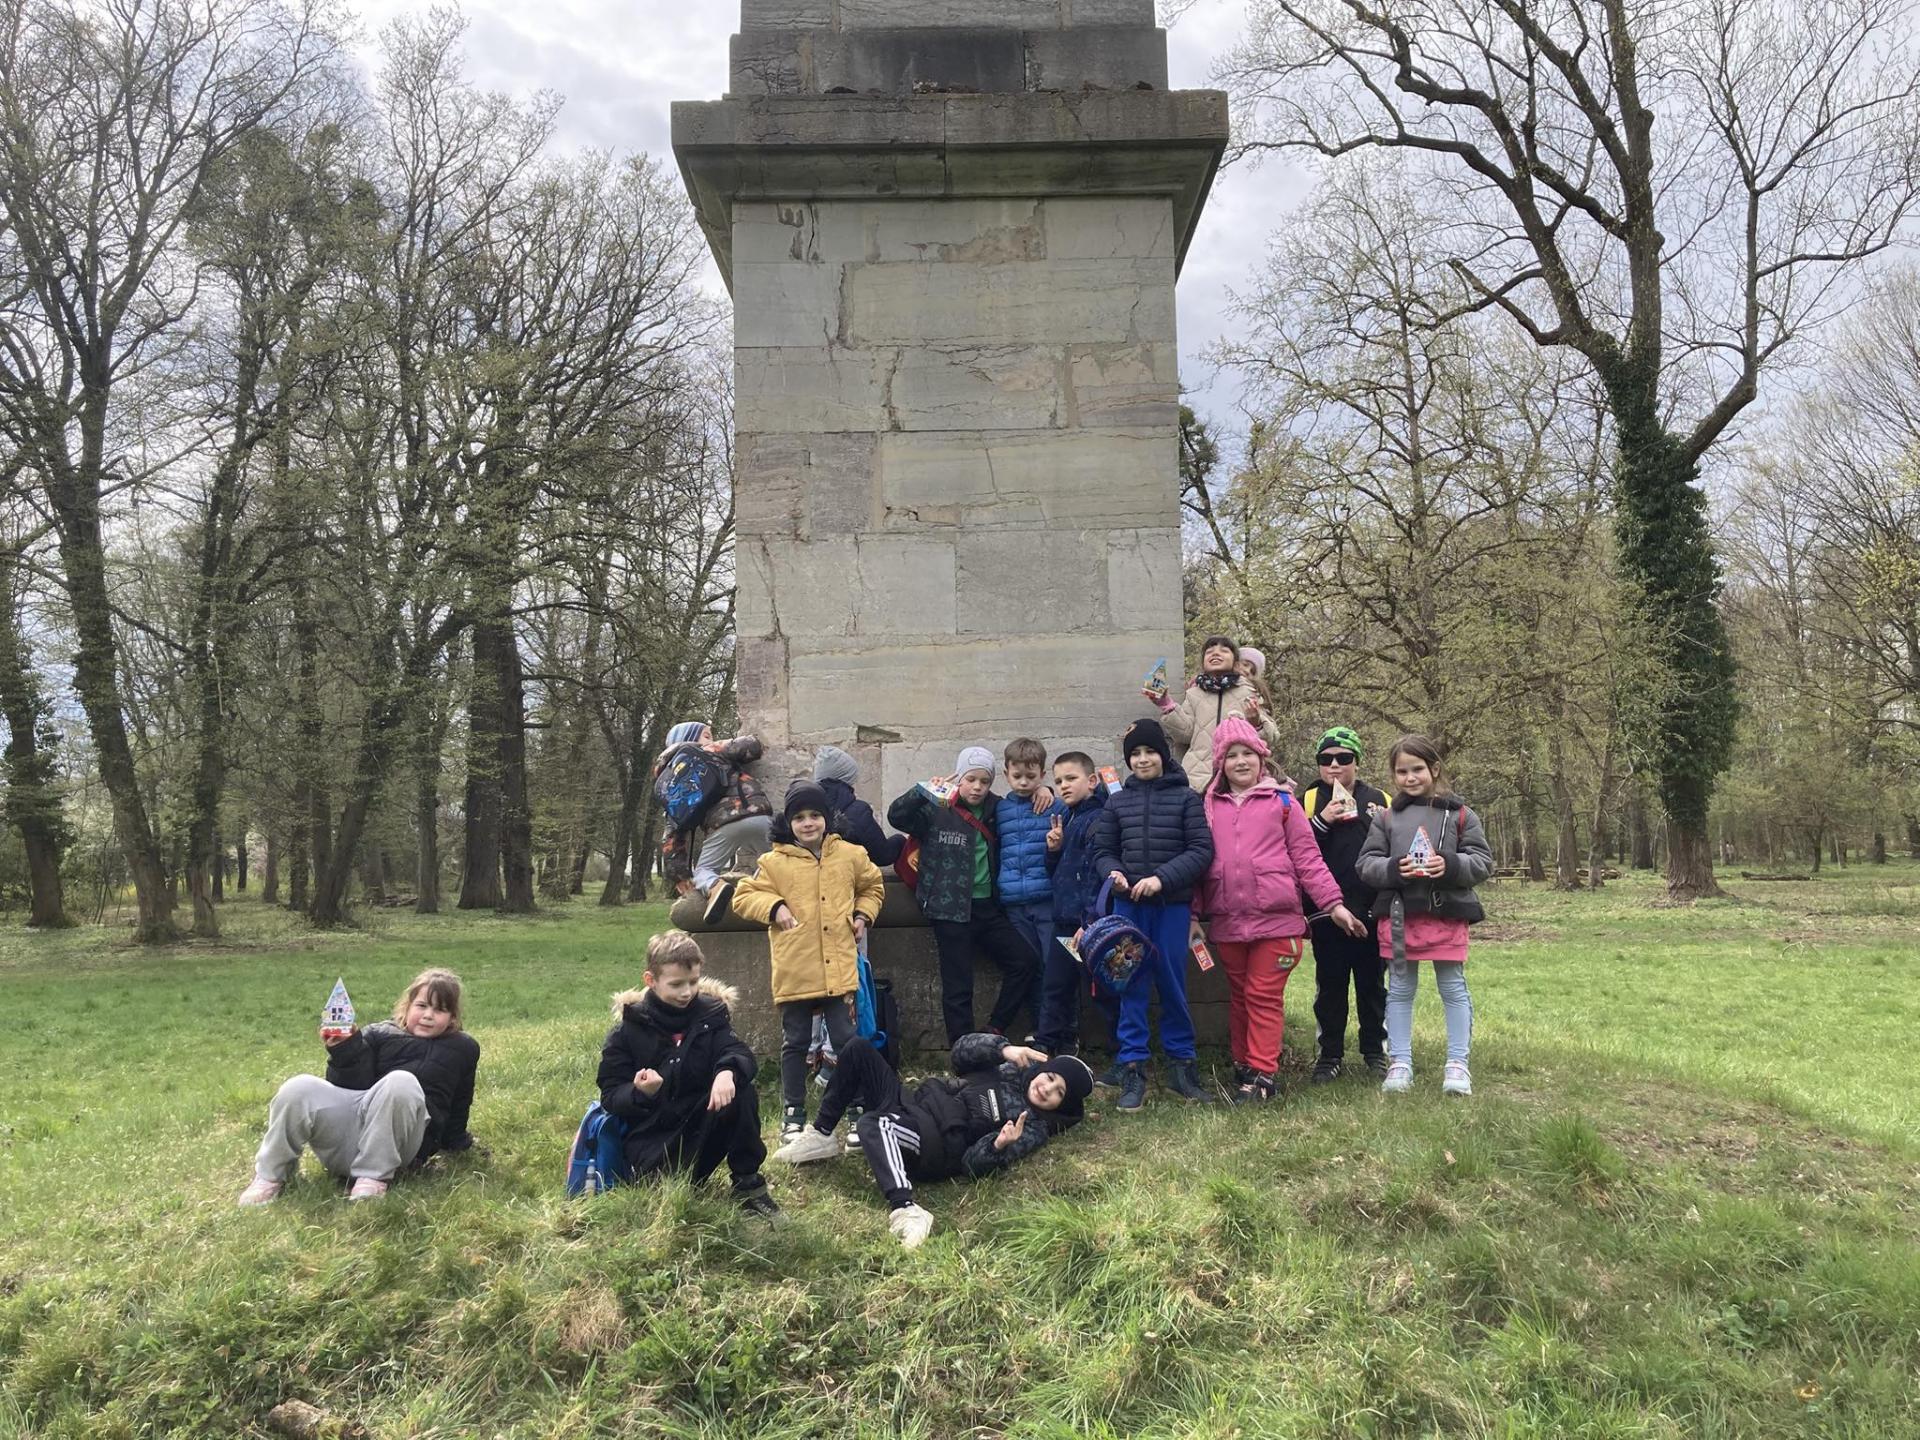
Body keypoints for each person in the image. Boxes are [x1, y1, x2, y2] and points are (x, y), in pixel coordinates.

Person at [771, 1032, 1093, 1249]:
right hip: (916, 1106)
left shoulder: (1033, 1126)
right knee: (857, 1048)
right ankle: (822, 1134)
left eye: (1058, 1093)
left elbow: (971, 1165)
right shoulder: (1009, 1070)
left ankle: (906, 1208)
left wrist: (998, 1146)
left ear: (1060, 1105)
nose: (1047, 1089)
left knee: (873, 1124)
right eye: (1050, 1077)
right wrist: (1002, 1049)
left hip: (935, 1145)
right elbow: (961, 1051)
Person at [1195, 718, 1367, 1102]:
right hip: (1228, 922)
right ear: (1220, 763)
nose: (1241, 761)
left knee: (1262, 994)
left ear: (1262, 758)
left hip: (1278, 922)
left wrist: (1333, 904)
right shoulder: (1208, 806)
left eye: (1248, 753)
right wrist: (1194, 913)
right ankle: (1243, 1063)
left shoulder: (1283, 803)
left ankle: (1262, 1075)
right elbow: (1198, 863)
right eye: (1232, 755)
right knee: (1240, 995)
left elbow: (1308, 859)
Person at [239, 968, 479, 1205]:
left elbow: (460, 1100)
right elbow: (348, 1088)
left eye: (439, 1010)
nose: (428, 1015)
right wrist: (345, 1050)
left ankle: (373, 1178)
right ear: (407, 1006)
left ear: (453, 1018)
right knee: (298, 1086)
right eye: (422, 1006)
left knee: (401, 1081)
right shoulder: (378, 1034)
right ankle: (270, 1176)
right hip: (350, 1137)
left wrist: (458, 1142)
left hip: (400, 1147)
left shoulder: (463, 1048)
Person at [730, 779, 888, 1140]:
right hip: (795, 967)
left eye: (815, 815)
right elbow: (744, 897)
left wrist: (862, 915)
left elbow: (873, 886)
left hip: (839, 967)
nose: (808, 823)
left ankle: (857, 1108)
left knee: (848, 1040)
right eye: (799, 817)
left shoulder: (850, 854)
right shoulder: (773, 862)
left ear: (827, 818)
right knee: (796, 1040)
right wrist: (775, 907)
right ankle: (793, 1113)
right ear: (789, 822)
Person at [593, 930, 782, 1216]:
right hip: (653, 1142)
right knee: (664, 1188)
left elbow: (737, 1051)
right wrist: (640, 1092)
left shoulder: (711, 1014)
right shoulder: (627, 1030)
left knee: (741, 1088)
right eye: (676, 984)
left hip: (700, 1128)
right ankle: (667, 1183)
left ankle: (748, 1186)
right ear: (650, 980)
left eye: (693, 982)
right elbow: (610, 1096)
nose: (687, 992)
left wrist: (727, 1071)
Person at [1356, 735, 1495, 1097]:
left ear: (1434, 769)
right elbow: (1366, 864)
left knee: (1452, 986)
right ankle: (1400, 1062)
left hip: (1447, 915)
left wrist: (1450, 865)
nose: (1410, 777)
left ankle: (1458, 1064)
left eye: (1417, 769)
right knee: (1400, 989)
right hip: (1399, 917)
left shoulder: (1461, 814)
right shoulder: (1385, 818)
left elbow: (1482, 862)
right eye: (1401, 771)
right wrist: (1393, 869)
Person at [1089, 717, 1215, 1110]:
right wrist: (1114, 873)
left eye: (1150, 752)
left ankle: (1182, 1067)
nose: (1143, 760)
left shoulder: (1186, 799)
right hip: (1128, 909)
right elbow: (1103, 850)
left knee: (1173, 984)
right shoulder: (1117, 802)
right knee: (1131, 985)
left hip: (1170, 908)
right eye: (1136, 754)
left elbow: (1200, 850)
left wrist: (1161, 879)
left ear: (1163, 754)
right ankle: (1132, 1067)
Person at [888, 747, 1041, 1043]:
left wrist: (1043, 790)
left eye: (984, 781)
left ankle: (994, 1029)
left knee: (1025, 961)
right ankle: (963, 1049)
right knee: (958, 985)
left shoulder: (998, 809)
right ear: (959, 778)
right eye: (971, 779)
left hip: (988, 908)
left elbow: (1026, 807)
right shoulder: (937, 805)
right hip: (949, 909)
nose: (977, 787)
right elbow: (897, 816)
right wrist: (923, 791)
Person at [1299, 726, 1393, 1083]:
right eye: (1326, 759)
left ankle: (1374, 1051)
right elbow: (1296, 849)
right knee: (1330, 986)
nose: (1334, 766)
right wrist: (1322, 821)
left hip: (1371, 909)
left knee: (1373, 985)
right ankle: (1330, 1055)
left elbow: (1392, 848)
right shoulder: (1308, 799)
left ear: (1357, 760)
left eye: (1343, 758)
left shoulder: (1380, 799)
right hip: (1326, 912)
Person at [654, 720, 773, 926]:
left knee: (704, 870)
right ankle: (768, 890)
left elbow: (672, 835)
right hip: (757, 813)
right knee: (776, 860)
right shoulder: (709, 750)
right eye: (707, 735)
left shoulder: (669, 784)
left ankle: (715, 887)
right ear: (691, 739)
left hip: (721, 827)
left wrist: (680, 876)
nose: (711, 739)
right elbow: (752, 746)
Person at [1035, 750, 1111, 1057]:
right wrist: (1053, 850)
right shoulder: (1068, 817)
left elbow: (1097, 875)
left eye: (1071, 778)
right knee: (1055, 985)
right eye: (1058, 781)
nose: (1064, 786)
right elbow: (1059, 874)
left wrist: (1089, 921)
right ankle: (1046, 1044)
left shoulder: (1099, 819)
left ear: (1091, 781)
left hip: (1088, 924)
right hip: (1064, 920)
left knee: (1101, 989)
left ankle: (1121, 1051)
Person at [995, 738, 1065, 1031]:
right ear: (1006, 774)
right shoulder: (999, 808)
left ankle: (1063, 1029)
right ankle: (1040, 1028)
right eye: (1017, 776)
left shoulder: (1054, 805)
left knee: (1055, 965)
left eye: (1031, 776)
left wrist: (1049, 791)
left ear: (1043, 774)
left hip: (1047, 899)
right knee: (1031, 965)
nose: (1023, 782)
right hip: (1014, 901)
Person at [1149, 636, 1283, 789]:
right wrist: (1166, 705)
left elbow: (1272, 736)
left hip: (1236, 781)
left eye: (1224, 651)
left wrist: (1256, 723)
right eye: (1209, 651)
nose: (1215, 653)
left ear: (1235, 662)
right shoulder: (1194, 693)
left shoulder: (1248, 692)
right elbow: (1185, 734)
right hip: (1197, 779)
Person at [812, 745, 903, 868]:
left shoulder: (801, 808)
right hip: (847, 878)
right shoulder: (858, 812)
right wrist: (900, 840)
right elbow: (883, 855)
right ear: (846, 777)